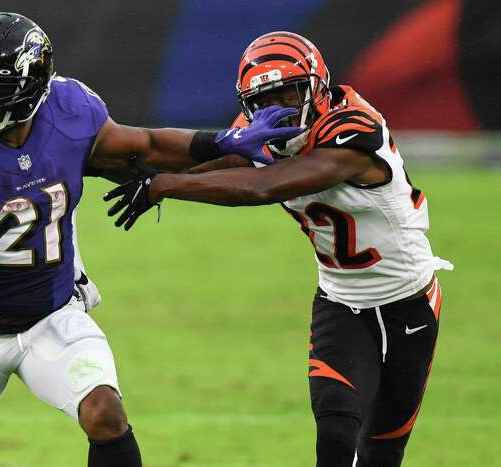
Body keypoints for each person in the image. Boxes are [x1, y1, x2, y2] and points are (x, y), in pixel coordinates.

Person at [0, 13, 295, 467]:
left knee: (105, 411)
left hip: (53, 315)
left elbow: (142, 146)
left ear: (32, 86)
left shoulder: (69, 113)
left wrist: (221, 142)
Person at [105, 31, 453, 467]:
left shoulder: (353, 129)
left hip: (410, 300)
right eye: (265, 99)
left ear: (317, 85)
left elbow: (263, 186)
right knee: (336, 425)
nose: (279, 109)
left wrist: (164, 186)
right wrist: (129, 168)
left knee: (382, 450)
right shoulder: (266, 129)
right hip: (341, 300)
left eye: (289, 92)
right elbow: (220, 160)